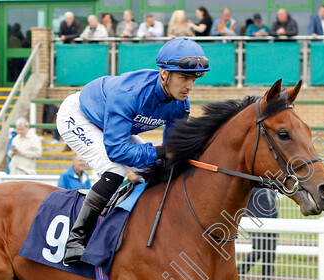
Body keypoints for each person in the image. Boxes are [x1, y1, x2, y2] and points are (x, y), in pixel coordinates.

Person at [56, 38, 209, 264]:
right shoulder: (128, 93)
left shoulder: (180, 103)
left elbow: (170, 154)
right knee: (115, 169)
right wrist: (160, 152)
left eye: (194, 79)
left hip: (113, 124)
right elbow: (117, 150)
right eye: (184, 78)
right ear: (164, 74)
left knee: (156, 169)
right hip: (80, 116)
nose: (189, 86)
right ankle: (75, 241)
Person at [238, 188, 279, 280]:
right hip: (257, 224)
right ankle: (237, 275)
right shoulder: (253, 187)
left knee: (270, 253)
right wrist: (248, 217)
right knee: (259, 251)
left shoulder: (270, 187)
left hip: (272, 225)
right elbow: (242, 203)